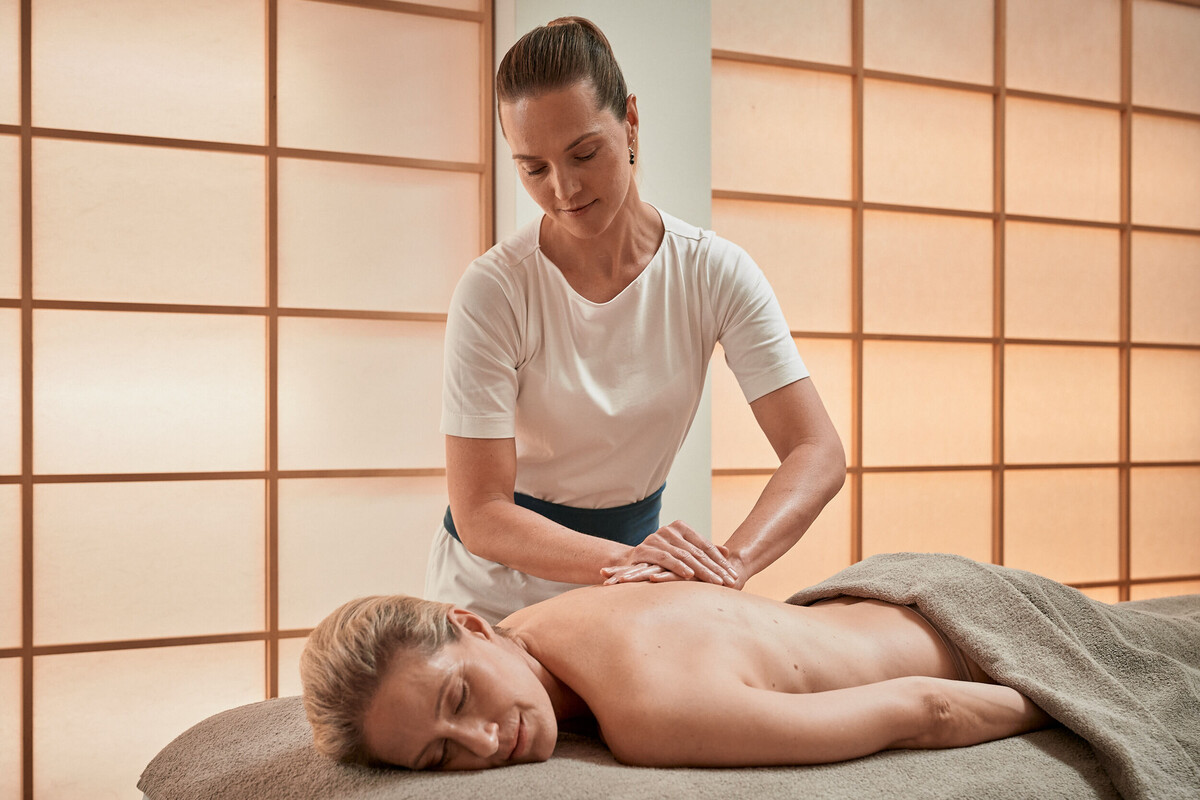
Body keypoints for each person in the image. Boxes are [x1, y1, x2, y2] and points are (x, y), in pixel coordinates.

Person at [431, 15, 846, 624]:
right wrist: (633, 564)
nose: (564, 188)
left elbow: (817, 449)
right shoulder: (495, 290)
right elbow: (482, 511)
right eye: (534, 169)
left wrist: (730, 563)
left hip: (631, 591)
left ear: (628, 121)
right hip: (493, 596)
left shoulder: (713, 272)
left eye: (583, 153)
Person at [301, 576, 1052, 770]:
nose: (484, 742)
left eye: (459, 697)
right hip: (882, 598)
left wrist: (1056, 704)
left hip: (975, 631)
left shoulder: (651, 714)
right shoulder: (537, 626)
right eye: (441, 755)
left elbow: (926, 710)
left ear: (468, 623)